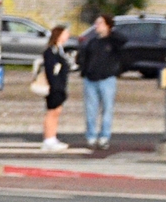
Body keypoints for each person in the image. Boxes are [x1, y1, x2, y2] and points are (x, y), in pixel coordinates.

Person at [77, 13, 122, 155]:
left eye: (100, 23)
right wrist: (84, 71)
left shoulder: (113, 41)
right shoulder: (92, 41)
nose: (97, 26)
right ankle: (91, 136)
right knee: (91, 110)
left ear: (107, 25)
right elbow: (83, 57)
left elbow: (123, 41)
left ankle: (104, 136)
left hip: (107, 79)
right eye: (96, 23)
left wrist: (110, 32)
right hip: (90, 80)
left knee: (107, 109)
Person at [37, 23, 72, 152]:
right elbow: (50, 71)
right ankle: (48, 139)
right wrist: (54, 86)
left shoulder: (60, 50)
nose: (67, 36)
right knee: (51, 113)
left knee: (56, 113)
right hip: (54, 87)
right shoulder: (50, 51)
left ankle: (53, 137)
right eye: (65, 33)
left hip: (60, 86)